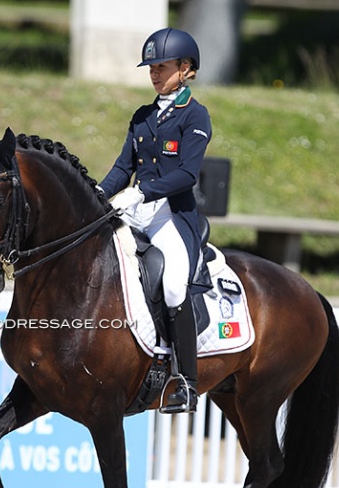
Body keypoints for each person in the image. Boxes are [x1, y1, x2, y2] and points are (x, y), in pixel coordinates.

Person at [99, 27, 212, 414]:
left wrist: (142, 192)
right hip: (135, 208)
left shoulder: (195, 116)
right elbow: (122, 167)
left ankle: (185, 381)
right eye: (151, 67)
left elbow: (187, 174)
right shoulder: (142, 116)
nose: (154, 73)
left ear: (186, 69)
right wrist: (98, 194)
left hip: (170, 213)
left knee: (175, 285)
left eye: (162, 67)